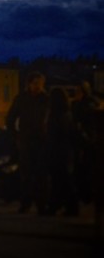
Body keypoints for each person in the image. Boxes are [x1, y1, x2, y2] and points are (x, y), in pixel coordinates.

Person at [6, 71, 50, 214]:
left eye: (41, 83)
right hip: (26, 140)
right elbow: (10, 118)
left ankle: (41, 204)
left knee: (41, 173)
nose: (39, 86)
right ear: (29, 84)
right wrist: (15, 135)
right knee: (26, 174)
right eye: (36, 83)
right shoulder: (21, 99)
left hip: (41, 140)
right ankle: (26, 203)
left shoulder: (46, 99)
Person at [46, 87, 79, 216]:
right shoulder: (67, 113)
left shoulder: (55, 115)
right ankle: (62, 206)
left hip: (57, 151)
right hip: (65, 151)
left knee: (60, 180)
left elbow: (54, 134)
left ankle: (63, 206)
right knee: (63, 180)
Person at [71, 81, 99, 203]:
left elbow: (79, 120)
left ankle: (86, 195)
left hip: (85, 140)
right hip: (85, 139)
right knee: (84, 169)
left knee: (84, 168)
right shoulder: (88, 103)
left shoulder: (85, 104)